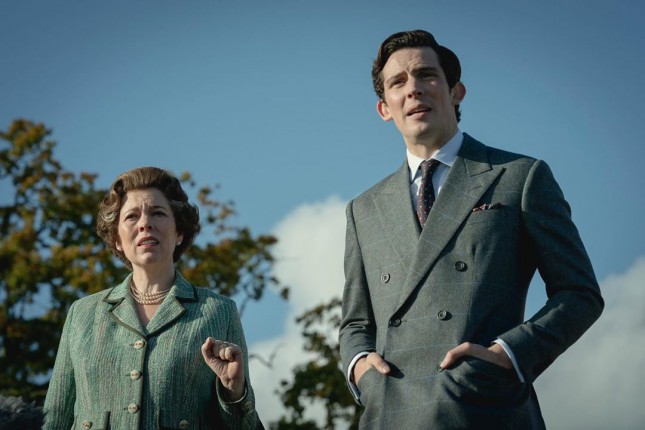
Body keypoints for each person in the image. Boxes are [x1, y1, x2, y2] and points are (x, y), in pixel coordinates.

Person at [338, 30, 604, 429]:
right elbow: (355, 323)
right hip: (391, 412)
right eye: (398, 82)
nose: (413, 89)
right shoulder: (364, 209)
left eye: (426, 75)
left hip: (484, 409)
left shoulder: (520, 177)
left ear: (456, 91)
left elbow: (579, 293)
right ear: (384, 109)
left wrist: (508, 355)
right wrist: (362, 369)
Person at [43, 166, 262, 429]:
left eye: (158, 213)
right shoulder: (82, 314)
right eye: (131, 216)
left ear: (179, 232)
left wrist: (234, 392)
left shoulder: (219, 312)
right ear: (117, 239)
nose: (145, 224)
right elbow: (53, 420)